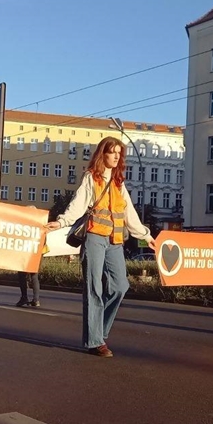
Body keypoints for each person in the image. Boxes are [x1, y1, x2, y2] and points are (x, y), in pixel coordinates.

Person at [45, 136, 156, 358]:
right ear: (102, 154)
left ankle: (98, 330)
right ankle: (95, 341)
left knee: (120, 287)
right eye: (112, 152)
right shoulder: (91, 178)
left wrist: (146, 235)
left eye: (119, 153)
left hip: (115, 240)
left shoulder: (118, 182)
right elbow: (77, 206)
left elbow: (128, 213)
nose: (117, 156)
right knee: (93, 288)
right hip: (94, 237)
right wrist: (61, 222)